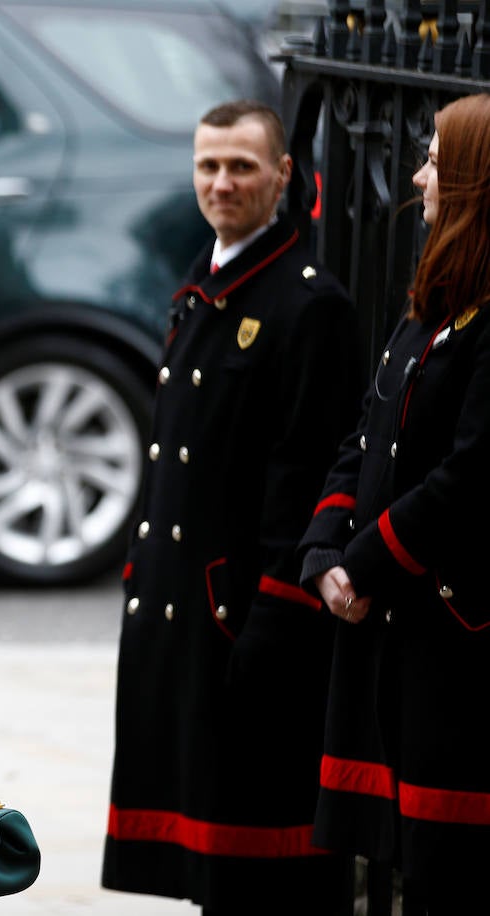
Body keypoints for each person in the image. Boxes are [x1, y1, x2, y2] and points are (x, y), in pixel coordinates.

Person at [101, 100, 361, 915]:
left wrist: (272, 622)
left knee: (259, 867)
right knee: (205, 863)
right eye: (208, 165)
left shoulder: (309, 304)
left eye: (242, 166)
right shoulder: (204, 283)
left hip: (245, 621)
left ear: (284, 175)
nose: (222, 183)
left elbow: (307, 476)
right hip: (182, 615)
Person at [299, 92, 490, 915]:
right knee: (399, 866)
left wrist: (366, 562)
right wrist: (322, 553)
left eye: (437, 165)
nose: (417, 178)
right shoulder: (432, 309)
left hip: (452, 641)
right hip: (389, 628)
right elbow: (367, 437)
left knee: (450, 871)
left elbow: (472, 474)